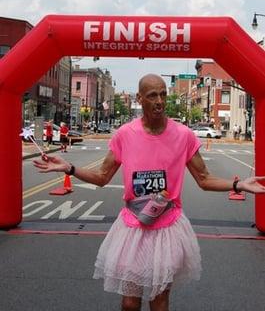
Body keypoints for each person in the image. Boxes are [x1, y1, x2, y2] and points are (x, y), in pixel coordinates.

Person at [33, 74, 265, 311]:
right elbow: (102, 176)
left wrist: (239, 185)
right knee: (130, 303)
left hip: (167, 227)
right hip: (133, 227)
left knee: (159, 300)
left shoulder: (183, 135)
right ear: (139, 98)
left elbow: (204, 179)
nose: (159, 101)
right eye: (152, 95)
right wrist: (69, 168)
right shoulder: (125, 134)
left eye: (163, 94)